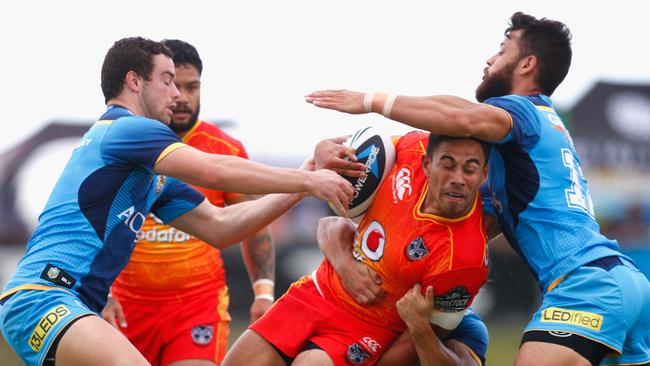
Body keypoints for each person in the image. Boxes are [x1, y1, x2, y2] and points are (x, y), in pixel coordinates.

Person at [305, 12, 650, 366]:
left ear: (527, 64)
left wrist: (370, 101)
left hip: (585, 283)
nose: (489, 59)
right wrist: (328, 154)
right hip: (624, 280)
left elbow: (462, 117)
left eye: (502, 51)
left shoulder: (524, 109)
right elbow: (458, 219)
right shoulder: (533, 144)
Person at [0, 36, 353, 366]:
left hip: (69, 305)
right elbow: (214, 170)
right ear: (134, 82)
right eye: (167, 80)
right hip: (45, 297)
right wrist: (309, 179)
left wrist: (304, 183)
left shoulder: (148, 174)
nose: (176, 95)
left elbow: (220, 226)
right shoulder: (128, 128)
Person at [222, 131, 492, 366]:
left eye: (469, 169)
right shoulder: (409, 149)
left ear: (483, 174)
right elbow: (330, 219)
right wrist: (323, 149)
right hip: (317, 292)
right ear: (427, 163)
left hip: (365, 329)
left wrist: (416, 329)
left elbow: (414, 344)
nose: (458, 178)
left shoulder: (464, 259)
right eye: (448, 165)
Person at [100, 39, 276, 366]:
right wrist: (101, 291)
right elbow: (96, 221)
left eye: (192, 87)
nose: (181, 97)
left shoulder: (224, 148)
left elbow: (254, 221)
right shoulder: (122, 141)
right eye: (172, 85)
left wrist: (263, 292)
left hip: (197, 306)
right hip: (128, 307)